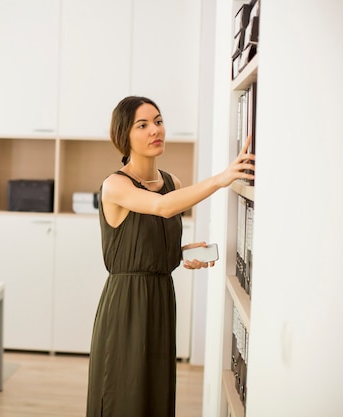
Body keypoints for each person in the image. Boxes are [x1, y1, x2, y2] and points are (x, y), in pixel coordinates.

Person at [86, 96, 255, 417]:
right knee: (124, 393)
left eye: (159, 121)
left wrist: (179, 254)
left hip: (161, 298)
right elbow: (161, 208)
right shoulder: (114, 185)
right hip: (126, 303)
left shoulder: (171, 183)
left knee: (155, 393)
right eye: (143, 125)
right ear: (124, 135)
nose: (155, 130)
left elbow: (150, 239)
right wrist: (222, 178)